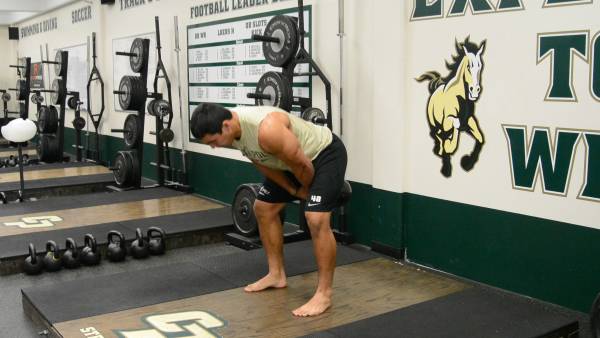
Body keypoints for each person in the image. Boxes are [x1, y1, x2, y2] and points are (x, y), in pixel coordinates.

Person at [190, 103, 348, 317]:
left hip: (322, 155)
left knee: (316, 218)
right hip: (288, 162)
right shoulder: (232, 131)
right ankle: (276, 274)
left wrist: (310, 195)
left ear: (226, 126)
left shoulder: (267, 129)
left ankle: (324, 294)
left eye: (213, 142)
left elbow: (302, 165)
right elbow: (260, 160)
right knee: (263, 208)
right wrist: (292, 189)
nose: (214, 147)